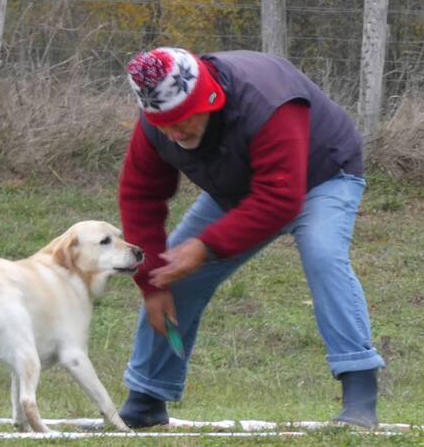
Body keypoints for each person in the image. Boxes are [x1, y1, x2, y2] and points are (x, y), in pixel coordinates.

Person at [116, 47, 385, 429]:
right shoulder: (156, 123)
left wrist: (206, 247)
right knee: (170, 273)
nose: (173, 133)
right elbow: (140, 197)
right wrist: (151, 283)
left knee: (323, 256)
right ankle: (146, 400)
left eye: (181, 121)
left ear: (209, 99)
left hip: (322, 175)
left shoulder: (267, 102)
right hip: (242, 187)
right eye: (163, 125)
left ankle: (360, 397)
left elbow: (280, 199)